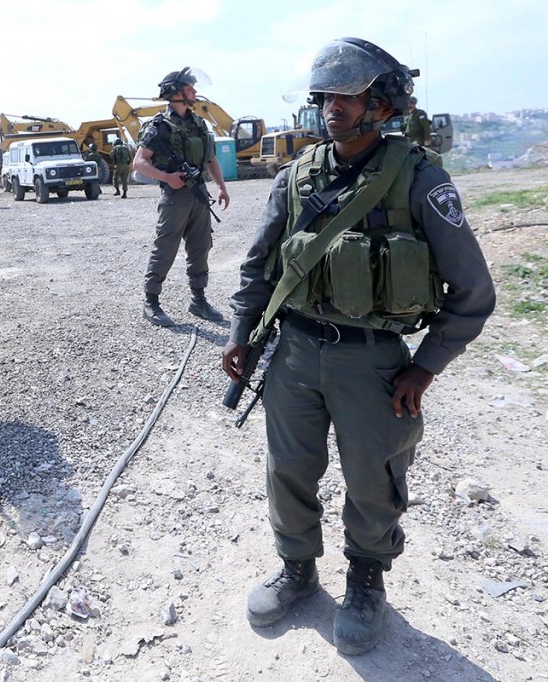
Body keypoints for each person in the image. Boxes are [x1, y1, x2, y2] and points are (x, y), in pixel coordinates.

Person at [221, 37, 495, 655]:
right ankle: (298, 570)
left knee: (374, 478)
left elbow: (474, 292)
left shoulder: (420, 180)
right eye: (326, 95)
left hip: (372, 359)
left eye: (348, 95)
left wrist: (425, 368)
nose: (332, 106)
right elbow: (258, 266)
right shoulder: (296, 177)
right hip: (293, 353)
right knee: (288, 470)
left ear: (381, 104)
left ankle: (367, 580)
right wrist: (241, 333)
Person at [133, 67, 230, 327]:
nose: (195, 92)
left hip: (199, 194)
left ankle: (198, 300)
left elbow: (210, 158)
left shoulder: (199, 124)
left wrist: (221, 187)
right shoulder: (159, 127)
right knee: (165, 248)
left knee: (201, 247)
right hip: (175, 196)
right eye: (189, 88)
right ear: (175, 93)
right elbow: (139, 163)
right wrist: (167, 178)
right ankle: (151, 302)